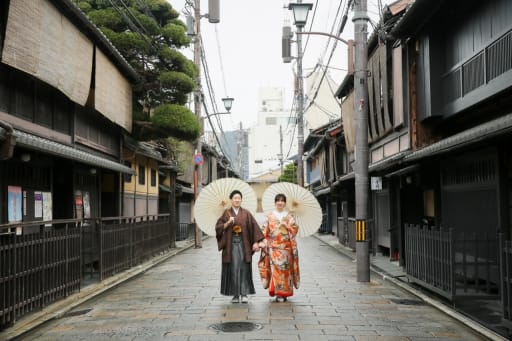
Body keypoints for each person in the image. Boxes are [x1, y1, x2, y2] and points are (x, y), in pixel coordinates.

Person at [215, 189, 265, 304]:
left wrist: (256, 242)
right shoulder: (226, 213)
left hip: (244, 245)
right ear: (231, 200)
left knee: (244, 268)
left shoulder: (246, 213)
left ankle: (244, 293)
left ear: (241, 200)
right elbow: (218, 228)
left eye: (239, 198)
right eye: (235, 198)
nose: (237, 200)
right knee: (233, 269)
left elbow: (254, 227)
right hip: (230, 245)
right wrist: (227, 223)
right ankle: (235, 295)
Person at [260, 193, 300, 302]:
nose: (280, 203)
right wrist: (263, 242)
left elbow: (295, 230)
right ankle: (278, 293)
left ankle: (285, 293)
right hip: (274, 248)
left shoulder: (290, 216)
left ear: (285, 203)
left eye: (282, 201)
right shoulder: (270, 216)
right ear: (275, 202)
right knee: (276, 271)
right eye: (278, 200)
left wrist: (288, 226)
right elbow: (264, 231)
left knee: (286, 272)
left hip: (287, 248)